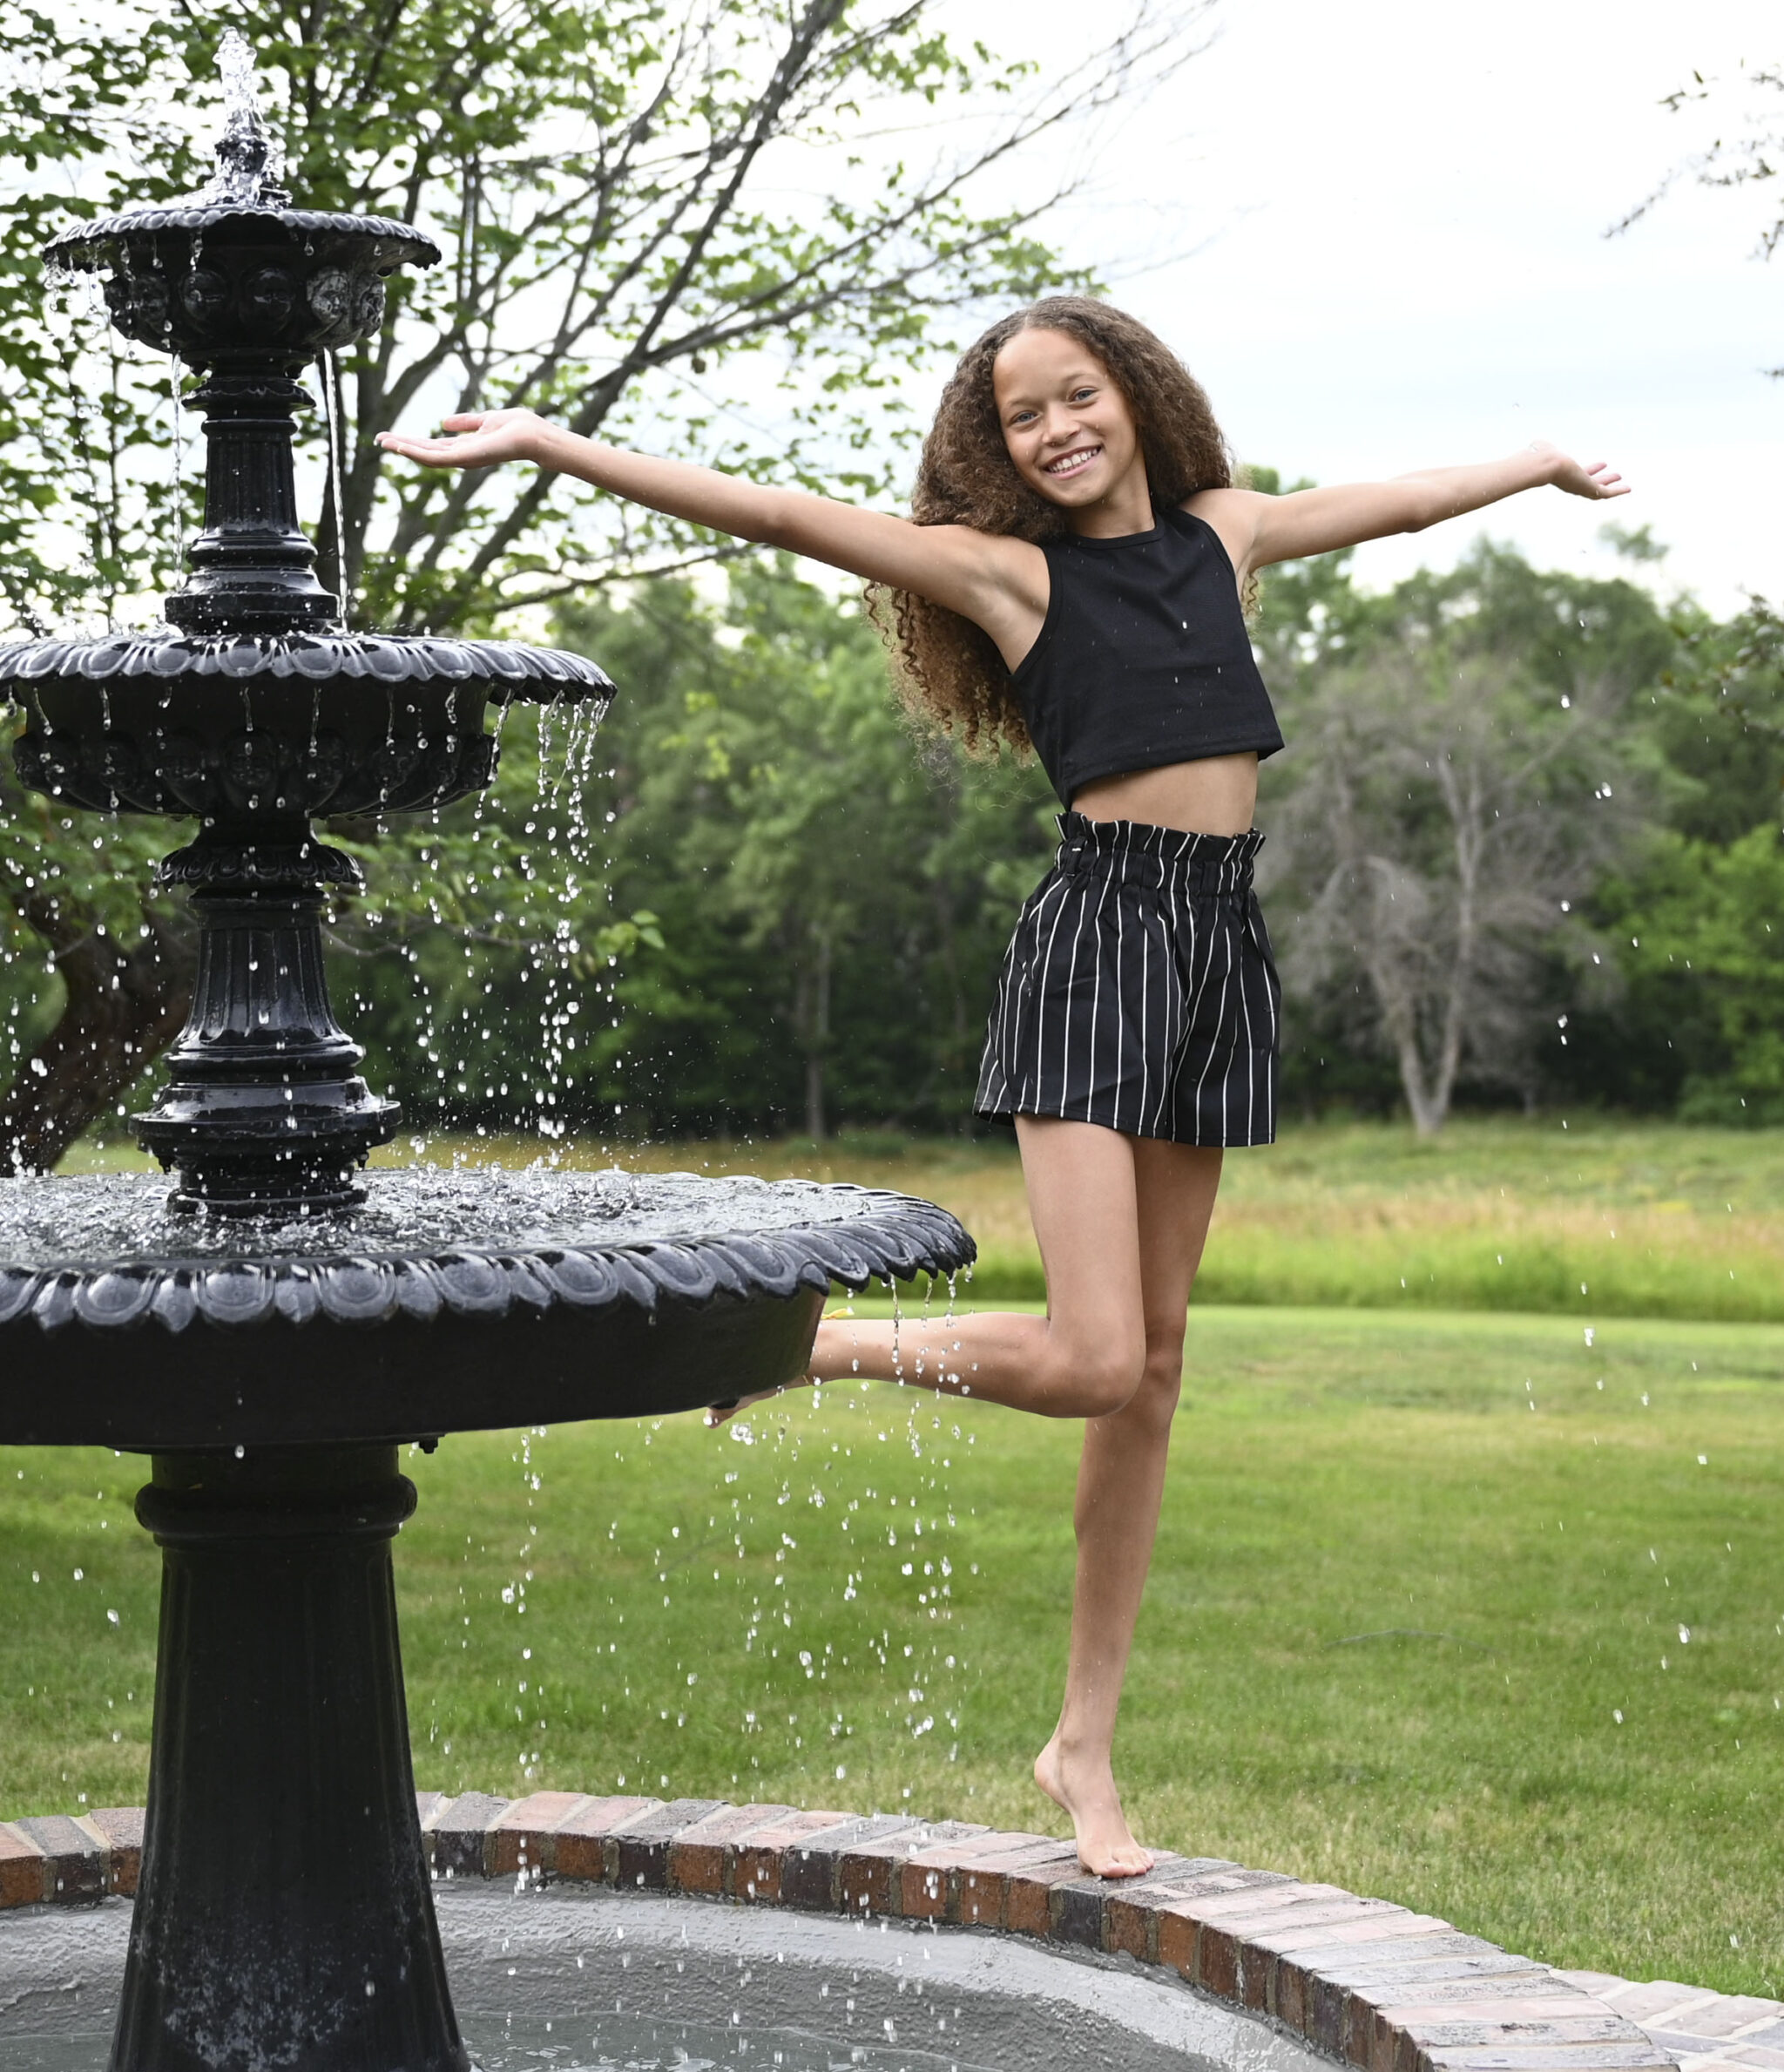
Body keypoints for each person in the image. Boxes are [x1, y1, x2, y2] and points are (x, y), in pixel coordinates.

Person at [379, 296, 1626, 1876]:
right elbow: (780, 515)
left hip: (1217, 946)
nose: (1056, 430)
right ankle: (817, 1349)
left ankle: (1082, 1748)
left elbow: (1401, 504)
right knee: (1096, 1357)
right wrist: (553, 446)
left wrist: (1534, 463)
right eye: (1023, 416)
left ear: (1136, 394)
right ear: (1001, 451)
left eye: (1076, 395)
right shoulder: (1011, 576)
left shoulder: (1227, 534)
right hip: (1100, 942)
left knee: (1152, 1372)